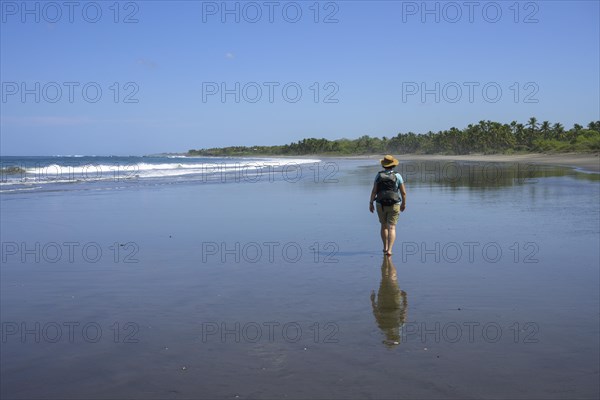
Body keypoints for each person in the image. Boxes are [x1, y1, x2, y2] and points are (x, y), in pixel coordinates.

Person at [369, 155, 406, 256]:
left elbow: (374, 191)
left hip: (380, 204)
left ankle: (385, 247)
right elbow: (403, 193)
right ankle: (390, 250)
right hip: (394, 204)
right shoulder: (398, 176)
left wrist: (371, 203)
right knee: (392, 227)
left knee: (383, 226)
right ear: (393, 165)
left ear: (383, 165)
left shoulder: (379, 175)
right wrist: (403, 203)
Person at [370, 256, 408, 347]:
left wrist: (373, 301)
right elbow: (404, 312)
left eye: (389, 337)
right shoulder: (399, 326)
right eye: (392, 336)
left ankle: (388, 260)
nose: (390, 334)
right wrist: (405, 299)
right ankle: (388, 260)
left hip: (384, 302)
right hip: (392, 303)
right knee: (389, 278)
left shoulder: (383, 327)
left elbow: (376, 314)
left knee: (387, 278)